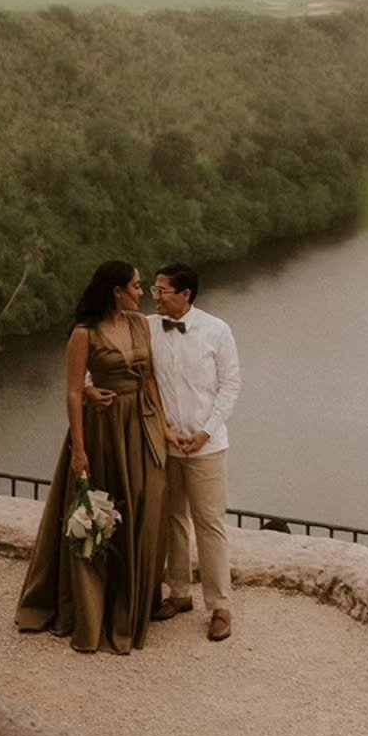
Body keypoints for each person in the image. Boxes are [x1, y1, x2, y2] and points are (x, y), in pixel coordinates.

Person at [15, 261, 169, 653]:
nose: (142, 293)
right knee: (98, 513)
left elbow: (150, 379)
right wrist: (80, 451)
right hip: (102, 430)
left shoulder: (140, 324)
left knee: (143, 505)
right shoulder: (84, 333)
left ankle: (132, 602)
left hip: (139, 425)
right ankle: (90, 610)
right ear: (115, 291)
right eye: (136, 286)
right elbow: (71, 391)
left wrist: (163, 429)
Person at [147, 262, 241, 642]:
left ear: (185, 294)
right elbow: (117, 357)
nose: (155, 297)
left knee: (209, 523)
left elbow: (231, 385)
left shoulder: (217, 330)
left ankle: (219, 606)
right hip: (167, 444)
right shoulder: (148, 328)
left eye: (162, 290)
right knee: (172, 519)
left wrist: (205, 432)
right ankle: (179, 593)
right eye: (153, 289)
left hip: (208, 447)